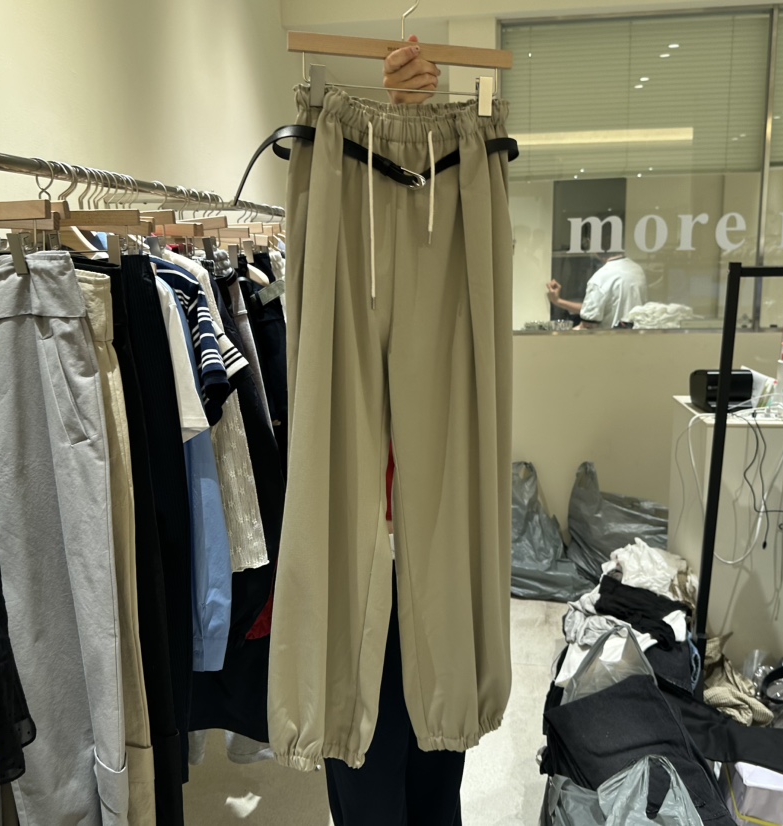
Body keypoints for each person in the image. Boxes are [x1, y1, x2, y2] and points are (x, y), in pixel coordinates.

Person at [322, 37, 467, 826]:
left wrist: (419, 124)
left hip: (428, 560)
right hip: (362, 566)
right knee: (369, 764)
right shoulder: (336, 259)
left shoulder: (453, 247)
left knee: (433, 765)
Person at [546, 252, 648, 329]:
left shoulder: (600, 278)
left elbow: (588, 325)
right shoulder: (637, 269)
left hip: (610, 344)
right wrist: (558, 301)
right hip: (635, 340)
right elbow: (593, 310)